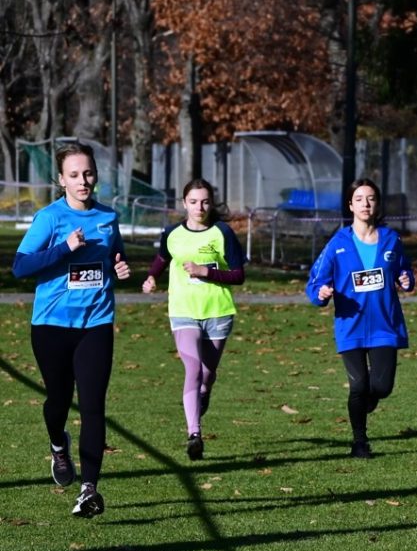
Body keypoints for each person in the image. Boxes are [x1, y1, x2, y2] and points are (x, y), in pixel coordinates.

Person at [12, 142, 131, 517]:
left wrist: (120, 267)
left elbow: (115, 255)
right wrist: (65, 247)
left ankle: (89, 489)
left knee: (93, 405)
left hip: (96, 323)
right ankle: (57, 445)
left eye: (88, 173)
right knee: (58, 402)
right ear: (61, 180)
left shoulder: (108, 217)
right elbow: (20, 267)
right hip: (51, 325)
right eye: (75, 175)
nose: (83, 181)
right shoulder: (49, 218)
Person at [306, 178, 415, 459]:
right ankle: (359, 442)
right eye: (359, 199)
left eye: (371, 198)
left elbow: (404, 269)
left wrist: (406, 279)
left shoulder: (391, 239)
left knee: (381, 387)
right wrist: (321, 293)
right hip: (350, 325)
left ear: (377, 204)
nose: (365, 204)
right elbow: (315, 282)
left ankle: (370, 400)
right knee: (358, 386)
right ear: (350, 205)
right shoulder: (338, 243)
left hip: (384, 324)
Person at [142, 179, 246, 461]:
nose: (199, 207)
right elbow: (162, 258)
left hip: (218, 311)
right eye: (193, 202)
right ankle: (194, 434)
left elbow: (238, 275)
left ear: (211, 203)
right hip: (183, 310)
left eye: (205, 202)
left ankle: (204, 393)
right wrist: (151, 277)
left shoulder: (222, 232)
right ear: (184, 203)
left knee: (207, 375)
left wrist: (206, 272)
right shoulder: (172, 233)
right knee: (193, 368)